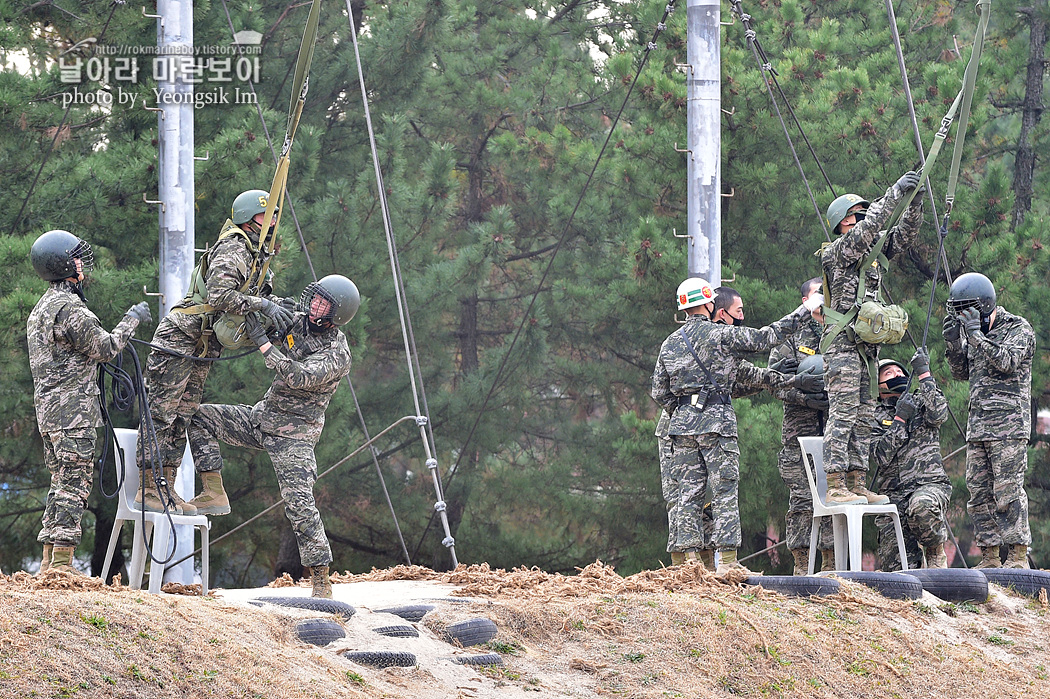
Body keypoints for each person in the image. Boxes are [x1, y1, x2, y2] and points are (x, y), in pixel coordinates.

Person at [186, 275, 358, 597]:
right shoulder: (301, 320)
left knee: (299, 504)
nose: (314, 305)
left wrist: (264, 343)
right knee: (198, 416)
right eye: (315, 297)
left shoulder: (337, 354)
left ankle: (320, 578)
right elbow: (271, 309)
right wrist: (261, 304)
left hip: (294, 436)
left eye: (323, 303)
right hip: (261, 418)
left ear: (337, 315)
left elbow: (299, 376)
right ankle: (213, 490)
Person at [138, 190, 296, 516]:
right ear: (250, 218)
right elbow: (220, 295)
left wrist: (277, 308)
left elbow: (258, 298)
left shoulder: (256, 259)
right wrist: (264, 304)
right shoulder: (235, 247)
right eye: (269, 217)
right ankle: (147, 486)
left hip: (203, 346)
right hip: (181, 337)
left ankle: (164, 486)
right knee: (161, 412)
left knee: (182, 415)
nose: (274, 223)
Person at [651, 278, 823, 573]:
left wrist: (685, 412)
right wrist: (804, 310)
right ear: (709, 304)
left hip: (680, 428)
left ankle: (684, 565)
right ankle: (728, 564)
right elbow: (764, 339)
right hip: (717, 423)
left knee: (686, 495)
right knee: (723, 491)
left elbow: (659, 391)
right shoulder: (721, 336)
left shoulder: (670, 343)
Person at [26, 230, 151, 573]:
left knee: (60, 483)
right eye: (78, 258)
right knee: (74, 485)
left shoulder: (41, 309)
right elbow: (106, 348)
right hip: (74, 415)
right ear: (65, 265)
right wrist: (134, 318)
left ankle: (51, 561)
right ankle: (62, 563)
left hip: (50, 416)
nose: (83, 264)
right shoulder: (70, 309)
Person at [819, 172, 924, 505]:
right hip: (842, 347)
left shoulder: (873, 252)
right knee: (844, 413)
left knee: (865, 415)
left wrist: (915, 201)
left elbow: (904, 235)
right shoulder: (838, 251)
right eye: (854, 216)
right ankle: (835, 484)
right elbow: (867, 232)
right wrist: (894, 192)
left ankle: (856, 480)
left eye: (862, 213)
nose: (860, 219)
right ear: (843, 224)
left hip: (866, 349)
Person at [943, 272, 1034, 569]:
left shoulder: (1017, 327)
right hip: (979, 426)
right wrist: (955, 343)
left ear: (984, 304)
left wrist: (977, 338)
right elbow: (961, 373)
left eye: (967, 309)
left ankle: (1018, 555)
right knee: (978, 494)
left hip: (1008, 427)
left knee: (1007, 491)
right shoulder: (972, 333)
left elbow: (1007, 361)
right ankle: (991, 556)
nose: (964, 316)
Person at [767, 278, 835, 576]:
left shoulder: (840, 331)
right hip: (799, 435)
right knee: (803, 501)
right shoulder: (790, 335)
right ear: (805, 299)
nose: (823, 299)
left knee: (834, 498)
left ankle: (832, 564)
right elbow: (773, 381)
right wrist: (804, 395)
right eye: (818, 293)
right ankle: (801, 565)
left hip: (834, 434)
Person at [869, 351, 952, 570]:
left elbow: (939, 415)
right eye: (888, 373)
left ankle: (935, 552)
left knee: (921, 506)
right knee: (897, 569)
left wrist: (925, 374)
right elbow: (880, 455)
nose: (896, 374)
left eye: (900, 371)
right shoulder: (871, 416)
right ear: (877, 385)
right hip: (893, 495)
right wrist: (899, 420)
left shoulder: (921, 400)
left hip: (929, 485)